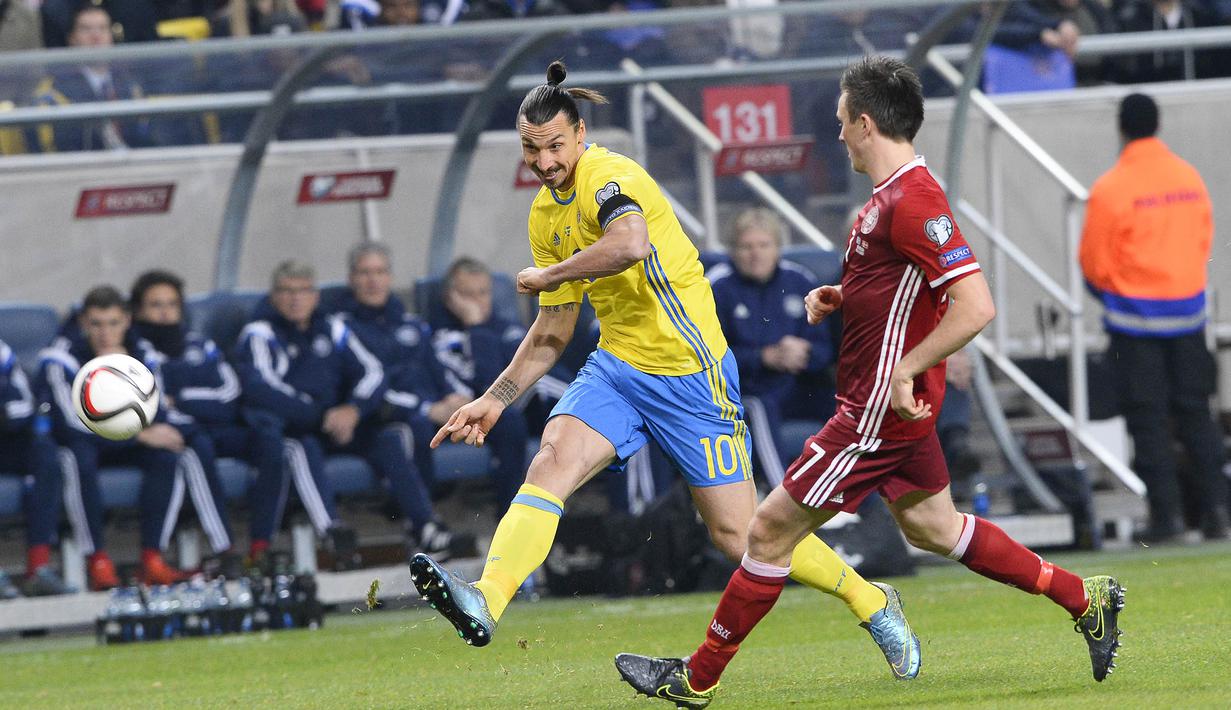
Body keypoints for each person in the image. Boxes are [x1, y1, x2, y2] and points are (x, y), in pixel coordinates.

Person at [615, 57, 1124, 707]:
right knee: (935, 530)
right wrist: (845, 297)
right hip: (891, 405)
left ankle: (697, 677)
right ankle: (1084, 600)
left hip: (875, 411)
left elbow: (974, 305)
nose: (835, 136)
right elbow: (911, 292)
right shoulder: (888, 201)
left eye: (838, 123)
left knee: (767, 531)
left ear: (863, 123)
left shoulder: (913, 200)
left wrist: (908, 367)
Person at [407, 61, 914, 679]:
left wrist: (550, 275)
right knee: (551, 461)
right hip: (617, 370)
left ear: (581, 136)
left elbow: (630, 243)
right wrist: (495, 399)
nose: (543, 161)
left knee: (742, 536)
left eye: (554, 146)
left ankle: (870, 599)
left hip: (689, 375)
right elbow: (553, 331)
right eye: (531, 149)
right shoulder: (545, 216)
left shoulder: (608, 176)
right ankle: (487, 597)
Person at [1079, 92, 1229, 541]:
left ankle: (1167, 519)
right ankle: (1218, 512)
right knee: (1197, 416)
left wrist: (1119, 294)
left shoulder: (1111, 187)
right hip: (1188, 316)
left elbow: (1093, 264)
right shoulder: (1189, 178)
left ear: (1122, 129)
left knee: (1148, 422)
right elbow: (1203, 241)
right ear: (1157, 125)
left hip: (1134, 323)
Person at [233, 260, 440, 562]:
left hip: (339, 423)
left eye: (303, 291)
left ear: (315, 296)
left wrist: (354, 410)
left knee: (392, 436)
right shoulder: (259, 334)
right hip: (297, 429)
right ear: (274, 297)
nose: (295, 299)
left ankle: (425, 525)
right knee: (302, 448)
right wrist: (320, 416)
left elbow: (373, 372)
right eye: (287, 291)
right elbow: (262, 388)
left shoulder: (333, 328)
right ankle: (332, 531)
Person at [326, 243, 476, 559]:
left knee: (504, 423)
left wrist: (455, 398)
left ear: (390, 277)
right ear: (352, 278)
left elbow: (439, 369)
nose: (373, 280)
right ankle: (425, 526)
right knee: (405, 432)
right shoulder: (341, 327)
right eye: (365, 272)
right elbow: (370, 384)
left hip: (431, 416)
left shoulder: (411, 323)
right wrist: (425, 408)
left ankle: (511, 527)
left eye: (380, 272)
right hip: (374, 421)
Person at [37, 285, 190, 589]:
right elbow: (71, 424)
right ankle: (98, 560)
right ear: (83, 324)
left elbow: (157, 412)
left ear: (127, 321)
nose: (105, 332)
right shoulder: (59, 359)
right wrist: (138, 436)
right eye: (96, 324)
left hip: (120, 437)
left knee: (167, 454)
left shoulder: (142, 354)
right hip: (86, 442)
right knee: (77, 456)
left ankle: (152, 558)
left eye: (113, 323)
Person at [130, 270, 279, 568]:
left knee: (273, 442)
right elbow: (156, 403)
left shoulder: (201, 344)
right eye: (155, 305)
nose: (164, 313)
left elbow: (230, 394)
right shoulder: (137, 351)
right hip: (185, 433)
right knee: (197, 445)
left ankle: (262, 546)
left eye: (171, 304)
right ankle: (225, 550)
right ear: (138, 310)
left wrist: (182, 397)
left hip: (220, 426)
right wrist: (197, 402)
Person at [708, 208, 837, 488]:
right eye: (747, 246)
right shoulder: (716, 286)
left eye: (764, 245)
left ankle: (855, 502)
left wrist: (805, 353)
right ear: (733, 250)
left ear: (778, 248)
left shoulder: (800, 281)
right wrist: (763, 357)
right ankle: (785, 498)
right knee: (759, 408)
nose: (756, 254)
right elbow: (708, 357)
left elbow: (826, 348)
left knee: (845, 404)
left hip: (795, 384)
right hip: (744, 391)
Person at [426, 257, 529, 512]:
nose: (477, 301)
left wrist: (478, 330)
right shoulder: (437, 339)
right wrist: (475, 328)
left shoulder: (511, 331)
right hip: (476, 415)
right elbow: (489, 386)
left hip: (524, 406)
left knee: (542, 384)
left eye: (483, 293)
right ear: (451, 298)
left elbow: (504, 382)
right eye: (467, 294)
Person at [0, 339, 74, 596]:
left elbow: (26, 403)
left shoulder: (2, 352)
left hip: (7, 436)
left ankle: (38, 569)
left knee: (45, 454)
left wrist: (5, 413)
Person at [31, 4, 155, 152]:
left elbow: (149, 138)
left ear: (112, 37)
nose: (96, 36)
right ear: (72, 38)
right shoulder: (55, 92)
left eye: (103, 28)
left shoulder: (131, 83)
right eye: (86, 29)